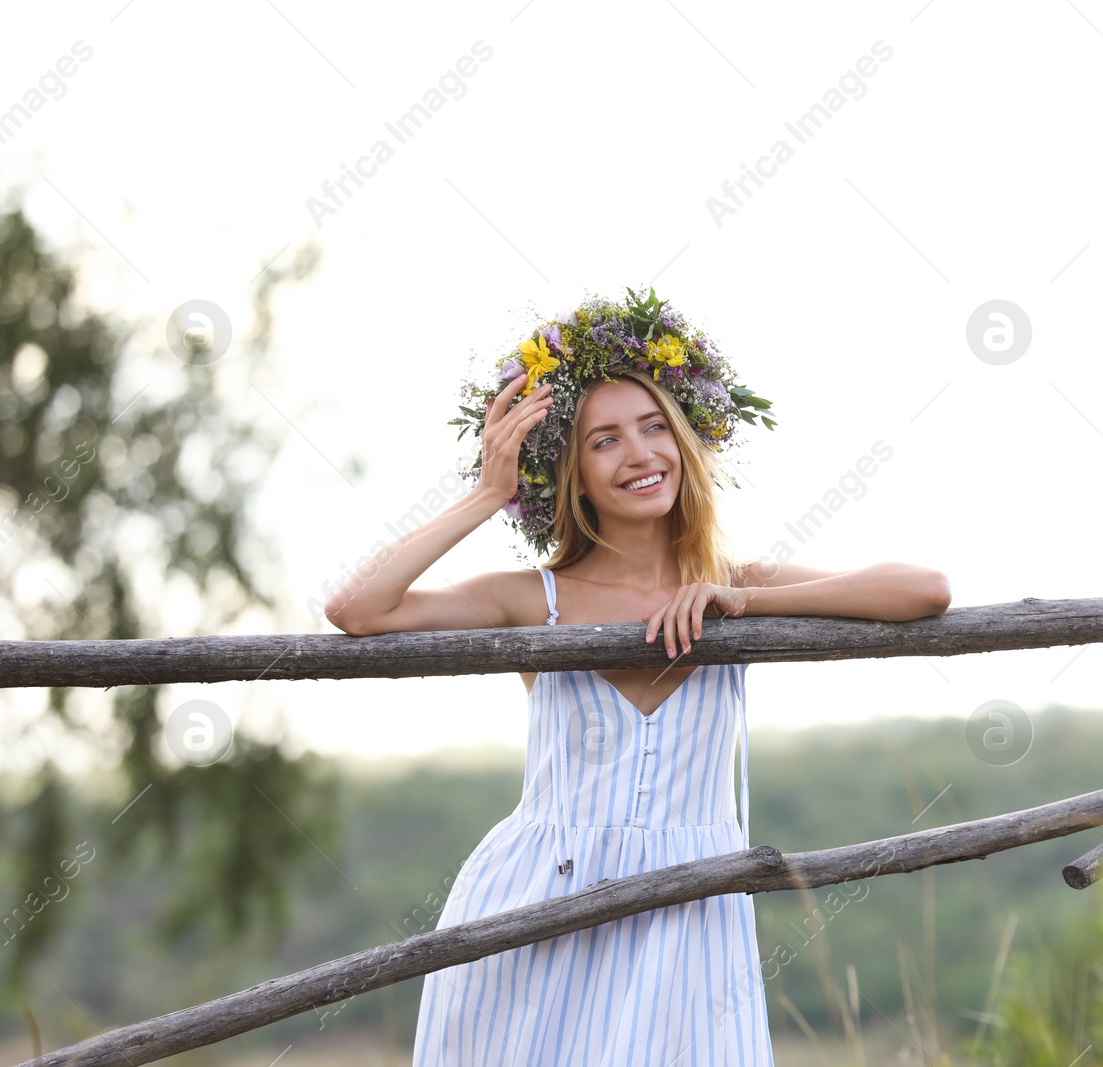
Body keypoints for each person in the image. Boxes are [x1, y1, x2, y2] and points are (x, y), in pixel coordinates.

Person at [323, 292, 951, 1065]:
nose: (641, 453)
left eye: (656, 428)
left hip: (693, 904)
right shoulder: (531, 597)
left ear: (685, 443)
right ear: (572, 474)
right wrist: (490, 492)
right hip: (534, 902)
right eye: (606, 440)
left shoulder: (737, 583)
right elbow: (357, 608)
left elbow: (924, 590)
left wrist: (747, 601)